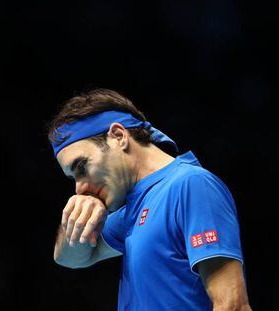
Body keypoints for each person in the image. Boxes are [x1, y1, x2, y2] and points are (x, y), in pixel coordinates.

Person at [48, 88, 251, 311]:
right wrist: (75, 220)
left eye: (82, 167)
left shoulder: (191, 186)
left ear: (118, 136)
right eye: (73, 177)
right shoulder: (133, 209)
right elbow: (70, 258)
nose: (79, 188)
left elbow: (233, 305)